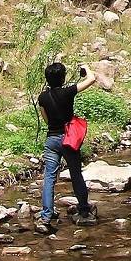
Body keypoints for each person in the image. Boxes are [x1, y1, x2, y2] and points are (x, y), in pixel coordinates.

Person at [37, 62, 98, 233]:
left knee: (49, 177)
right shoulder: (68, 91)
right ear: (62, 77)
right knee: (75, 174)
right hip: (68, 138)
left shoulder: (43, 97)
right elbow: (92, 79)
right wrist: (86, 68)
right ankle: (84, 209)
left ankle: (46, 216)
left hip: (52, 139)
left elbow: (46, 119)